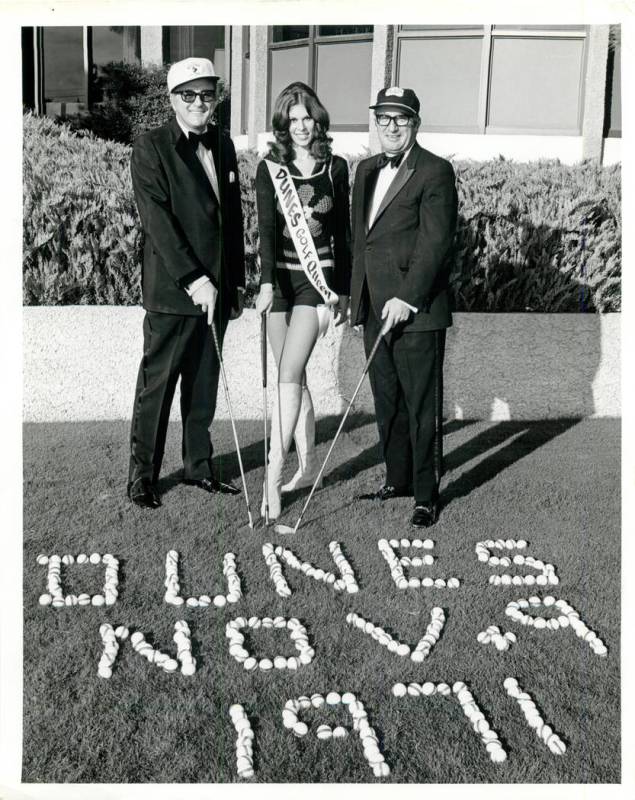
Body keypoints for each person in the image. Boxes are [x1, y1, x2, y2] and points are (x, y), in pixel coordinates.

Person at [127, 57, 245, 509]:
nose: (199, 102)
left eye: (207, 93)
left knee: (203, 386)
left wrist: (232, 285)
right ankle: (143, 477)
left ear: (217, 97)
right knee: (157, 388)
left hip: (219, 293)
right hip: (175, 294)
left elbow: (230, 221)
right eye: (189, 94)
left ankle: (199, 467)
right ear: (172, 98)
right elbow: (159, 223)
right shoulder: (151, 147)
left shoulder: (224, 143)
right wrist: (196, 280)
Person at [350, 87, 458, 528]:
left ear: (416, 122)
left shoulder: (434, 171)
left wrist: (408, 297)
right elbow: (362, 241)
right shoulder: (365, 170)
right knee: (388, 401)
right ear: (375, 122)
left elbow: (436, 244)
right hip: (375, 309)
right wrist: (355, 299)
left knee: (421, 406)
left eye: (401, 118)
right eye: (383, 118)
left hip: (417, 311)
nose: (391, 126)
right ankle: (397, 479)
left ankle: (426, 495)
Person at [254, 82, 351, 520]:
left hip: (318, 281)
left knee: (290, 372)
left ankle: (273, 473)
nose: (299, 127)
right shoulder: (269, 168)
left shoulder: (336, 168)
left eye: (306, 118)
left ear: (318, 119)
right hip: (281, 282)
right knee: (289, 378)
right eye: (291, 120)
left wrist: (344, 290)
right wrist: (266, 284)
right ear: (282, 124)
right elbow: (268, 233)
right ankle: (309, 466)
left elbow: (343, 236)